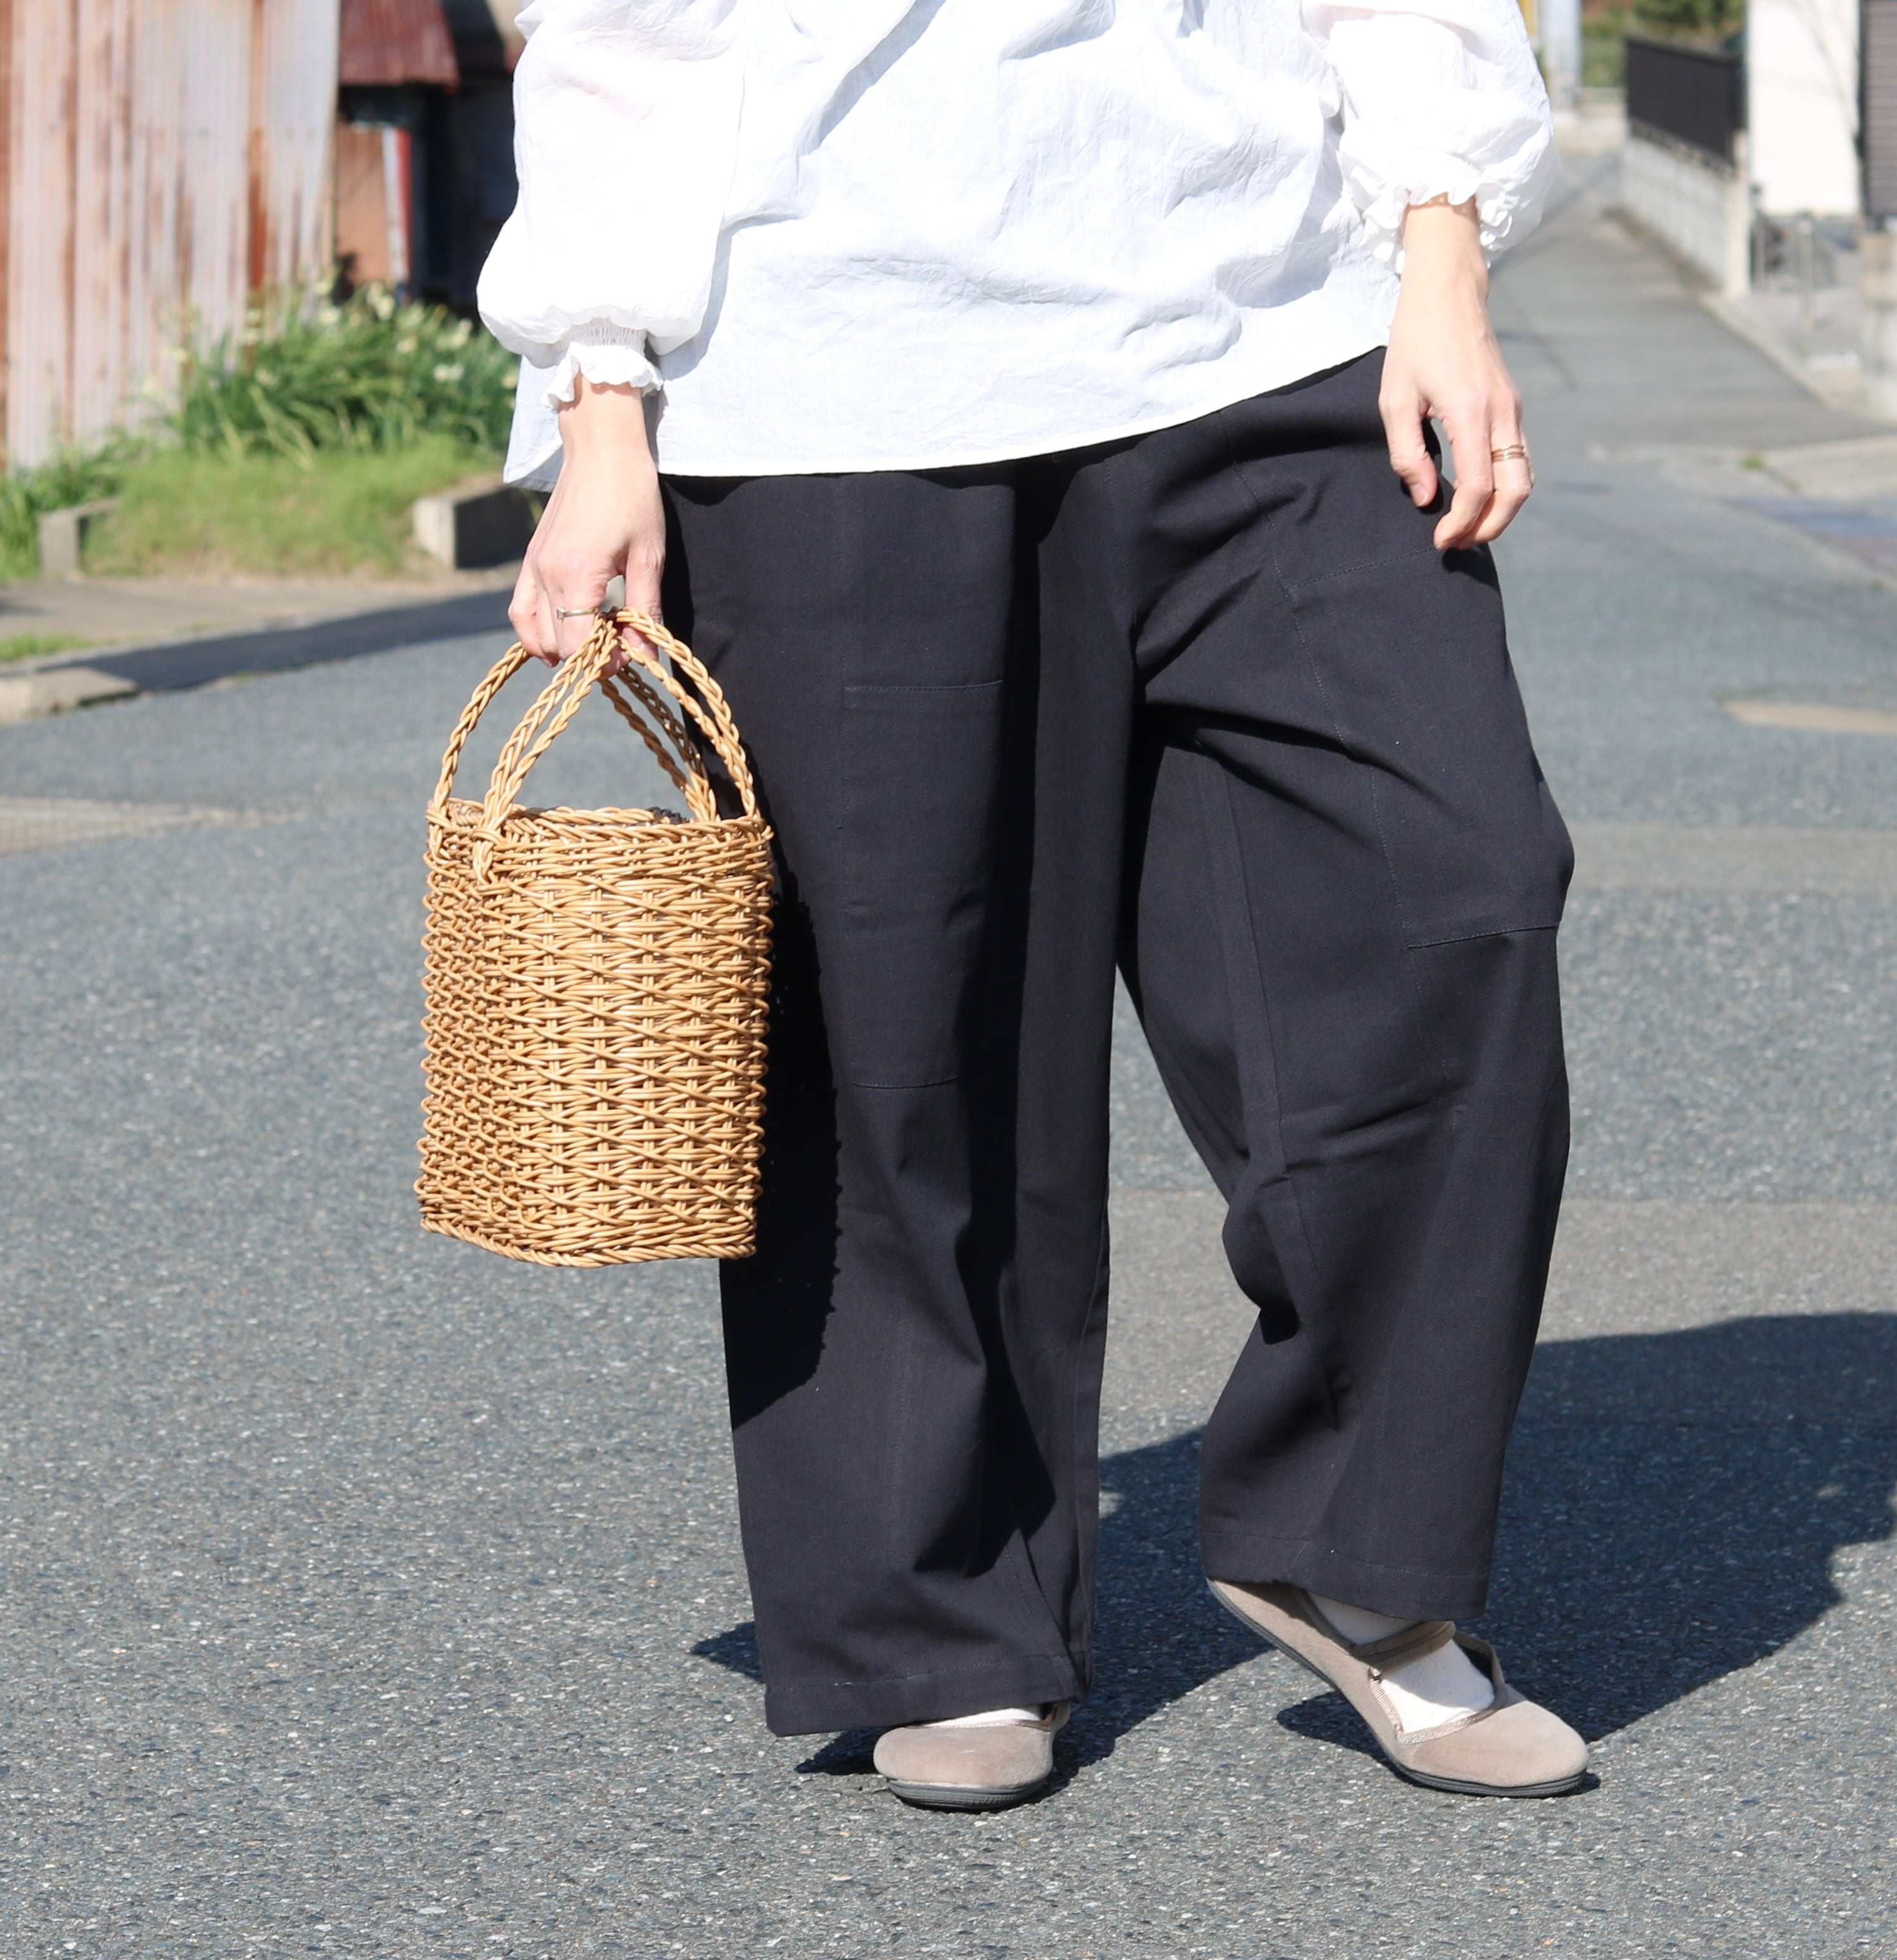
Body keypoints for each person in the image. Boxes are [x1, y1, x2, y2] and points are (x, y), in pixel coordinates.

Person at [479, 0, 1588, 1810]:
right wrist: (604, 396)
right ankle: (943, 1620)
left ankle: (1355, 1542)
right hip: (837, 370)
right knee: (897, 1031)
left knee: (1452, 891)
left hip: (1274, 333)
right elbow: (631, 34)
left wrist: (1442, 255)